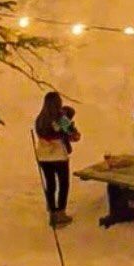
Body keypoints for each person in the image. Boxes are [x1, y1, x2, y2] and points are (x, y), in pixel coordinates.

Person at [32, 91, 78, 223]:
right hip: (59, 156)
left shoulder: (40, 119)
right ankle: (61, 212)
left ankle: (52, 212)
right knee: (63, 184)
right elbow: (73, 135)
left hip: (43, 157)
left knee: (50, 184)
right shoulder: (61, 118)